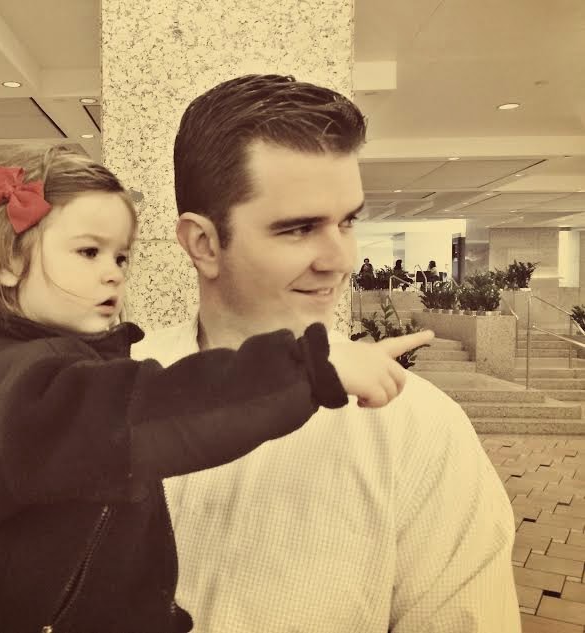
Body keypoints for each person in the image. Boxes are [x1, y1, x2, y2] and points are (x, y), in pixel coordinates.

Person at [0, 146, 433, 633]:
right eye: (89, 252)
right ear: (9, 263)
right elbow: (160, 412)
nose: (113, 274)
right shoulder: (25, 390)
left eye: (121, 257)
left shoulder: (6, 373)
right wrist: (309, 368)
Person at [132, 75, 520, 632]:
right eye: (298, 228)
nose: (340, 260)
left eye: (347, 222)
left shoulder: (419, 428)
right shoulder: (107, 388)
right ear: (203, 243)